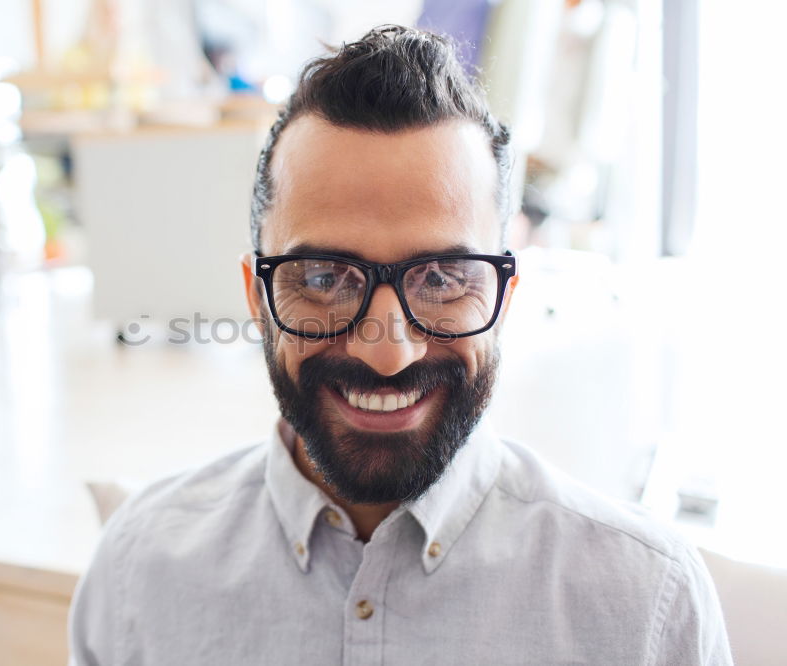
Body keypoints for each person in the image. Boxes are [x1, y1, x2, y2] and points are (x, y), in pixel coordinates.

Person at [69, 25, 731, 665]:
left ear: (504, 296)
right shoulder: (137, 573)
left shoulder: (646, 604)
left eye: (442, 278)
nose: (390, 353)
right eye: (325, 277)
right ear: (255, 296)